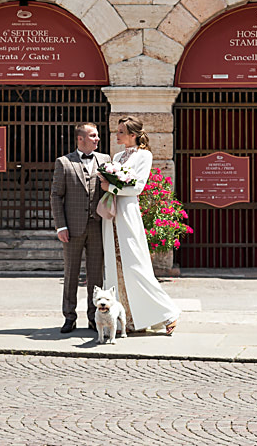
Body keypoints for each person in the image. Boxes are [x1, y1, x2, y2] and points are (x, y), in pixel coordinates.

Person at [101, 117, 181, 335]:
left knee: (136, 267)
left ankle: (168, 313)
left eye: (120, 132)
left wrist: (113, 187)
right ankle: (129, 319)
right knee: (116, 268)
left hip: (128, 212)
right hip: (112, 217)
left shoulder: (144, 155)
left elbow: (138, 187)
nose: (116, 135)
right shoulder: (117, 156)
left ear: (132, 134)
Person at [50, 122, 108, 334]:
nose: (97, 139)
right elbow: (56, 195)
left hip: (97, 226)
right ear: (80, 138)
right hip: (72, 228)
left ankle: (94, 318)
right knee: (71, 274)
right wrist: (61, 226)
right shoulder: (64, 162)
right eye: (93, 135)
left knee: (95, 275)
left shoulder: (105, 160)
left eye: (97, 136)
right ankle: (69, 317)